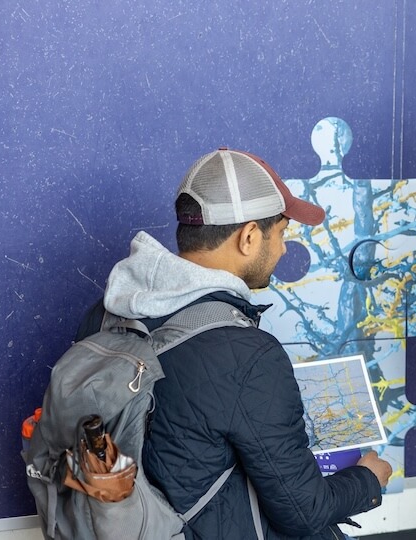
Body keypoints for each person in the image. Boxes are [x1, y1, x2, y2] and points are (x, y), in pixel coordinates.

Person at [79, 148, 392, 539]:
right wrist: (368, 480)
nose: (281, 249)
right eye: (281, 234)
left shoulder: (105, 315)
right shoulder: (248, 355)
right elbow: (305, 511)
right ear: (248, 236)